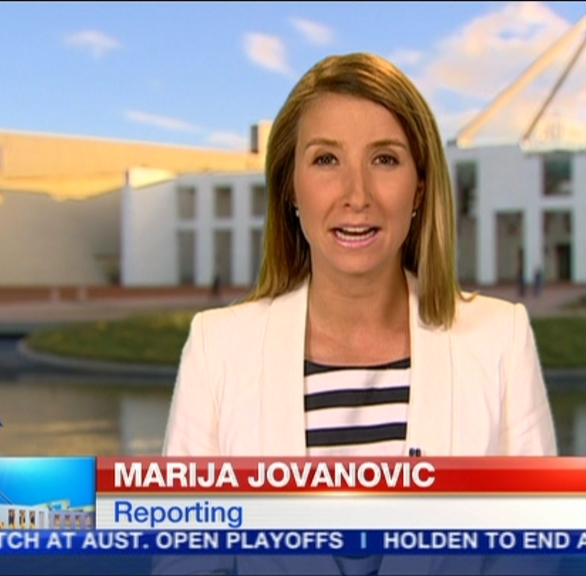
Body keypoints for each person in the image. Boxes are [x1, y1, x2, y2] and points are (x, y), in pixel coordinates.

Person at [156, 53, 558, 576]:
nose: (357, 196)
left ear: (420, 187)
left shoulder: (499, 341)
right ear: (290, 187)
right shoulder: (217, 349)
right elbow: (186, 563)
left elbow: (530, 559)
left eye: (384, 159)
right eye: (326, 160)